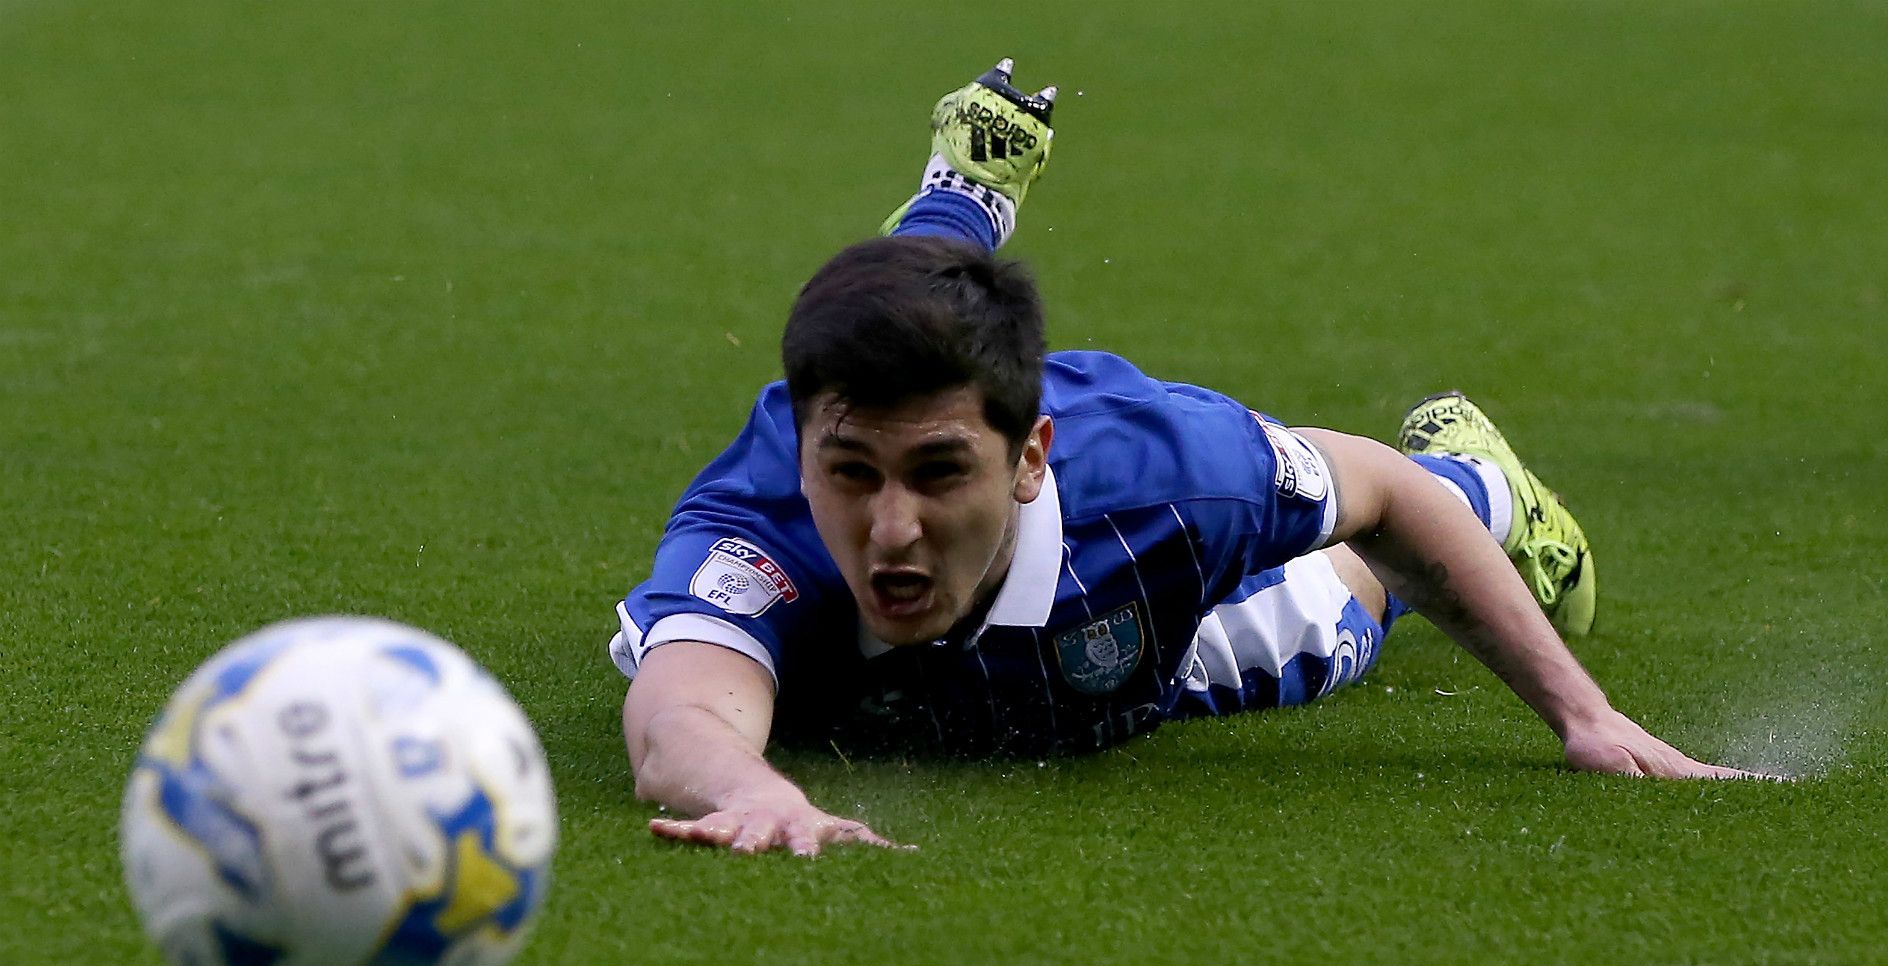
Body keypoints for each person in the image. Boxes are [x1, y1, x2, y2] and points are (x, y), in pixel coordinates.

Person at [610, 60, 1765, 857]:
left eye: (942, 477)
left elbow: (1381, 490)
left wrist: (1583, 716)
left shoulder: (1172, 479)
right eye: (851, 476)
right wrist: (758, 794)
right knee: (905, 327)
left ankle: (1491, 481)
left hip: (1133, 569)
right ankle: (959, 201)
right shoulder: (764, 521)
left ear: (1029, 460)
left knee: (1316, 632)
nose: (892, 527)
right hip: (915, 428)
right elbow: (680, 718)